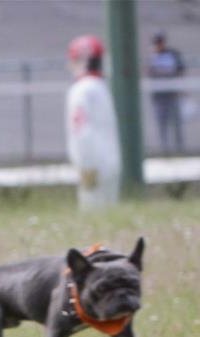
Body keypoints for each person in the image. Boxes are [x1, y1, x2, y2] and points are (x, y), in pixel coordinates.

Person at [64, 35, 121, 210]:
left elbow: (80, 130)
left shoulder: (80, 90)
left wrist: (86, 164)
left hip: (92, 166)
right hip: (109, 162)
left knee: (93, 215)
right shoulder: (100, 87)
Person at [147, 31, 186, 153]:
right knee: (161, 122)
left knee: (176, 121)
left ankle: (179, 148)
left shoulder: (172, 54)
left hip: (172, 93)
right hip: (159, 96)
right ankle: (165, 149)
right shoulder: (152, 57)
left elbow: (180, 70)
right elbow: (150, 73)